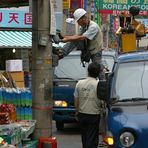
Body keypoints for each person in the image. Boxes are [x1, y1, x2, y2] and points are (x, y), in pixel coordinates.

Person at [54, 8, 105, 80]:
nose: (78, 23)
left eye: (78, 21)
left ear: (82, 19)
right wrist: (64, 37)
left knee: (97, 67)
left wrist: (66, 39)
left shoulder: (93, 27)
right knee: (75, 40)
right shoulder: (83, 27)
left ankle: (103, 83)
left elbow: (82, 38)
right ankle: (61, 53)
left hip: (95, 51)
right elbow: (77, 36)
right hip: (87, 49)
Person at [73, 62, 102, 148]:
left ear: (88, 71)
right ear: (98, 73)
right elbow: (102, 100)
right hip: (94, 114)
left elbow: (76, 99)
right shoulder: (98, 84)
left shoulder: (79, 83)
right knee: (92, 137)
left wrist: (76, 112)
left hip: (82, 113)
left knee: (84, 137)